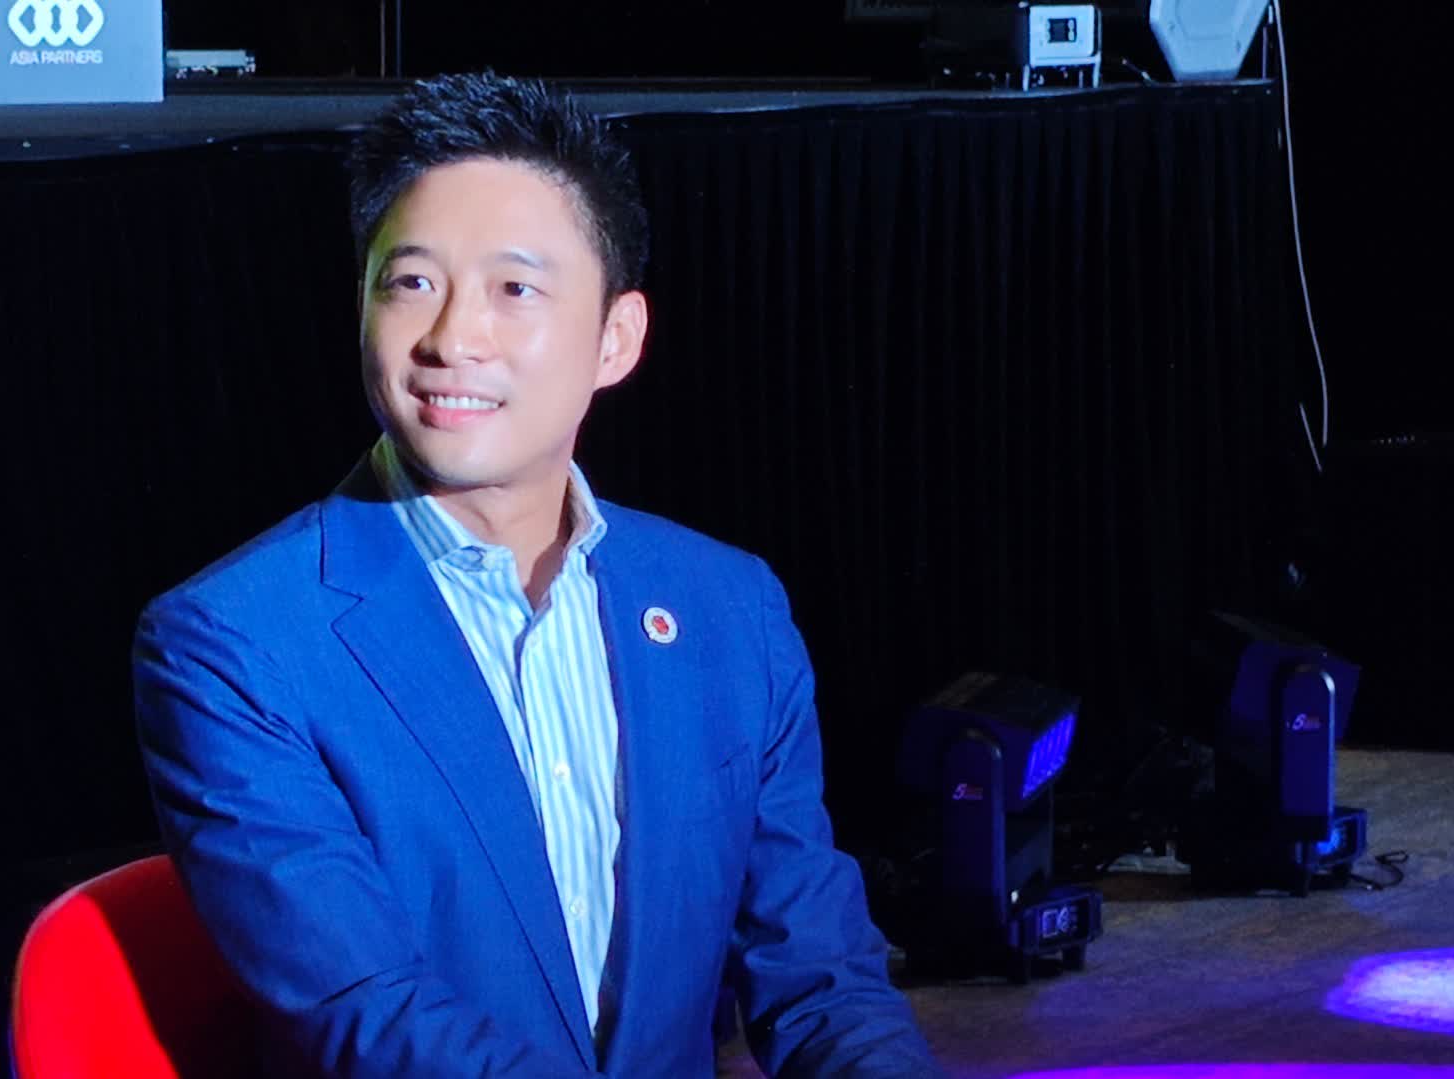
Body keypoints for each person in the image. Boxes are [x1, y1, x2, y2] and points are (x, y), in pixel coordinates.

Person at [133, 72, 942, 1078]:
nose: (450, 338)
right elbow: (372, 1018)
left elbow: (821, 983)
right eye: (410, 283)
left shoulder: (729, 608)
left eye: (514, 290)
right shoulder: (235, 642)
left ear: (616, 338)